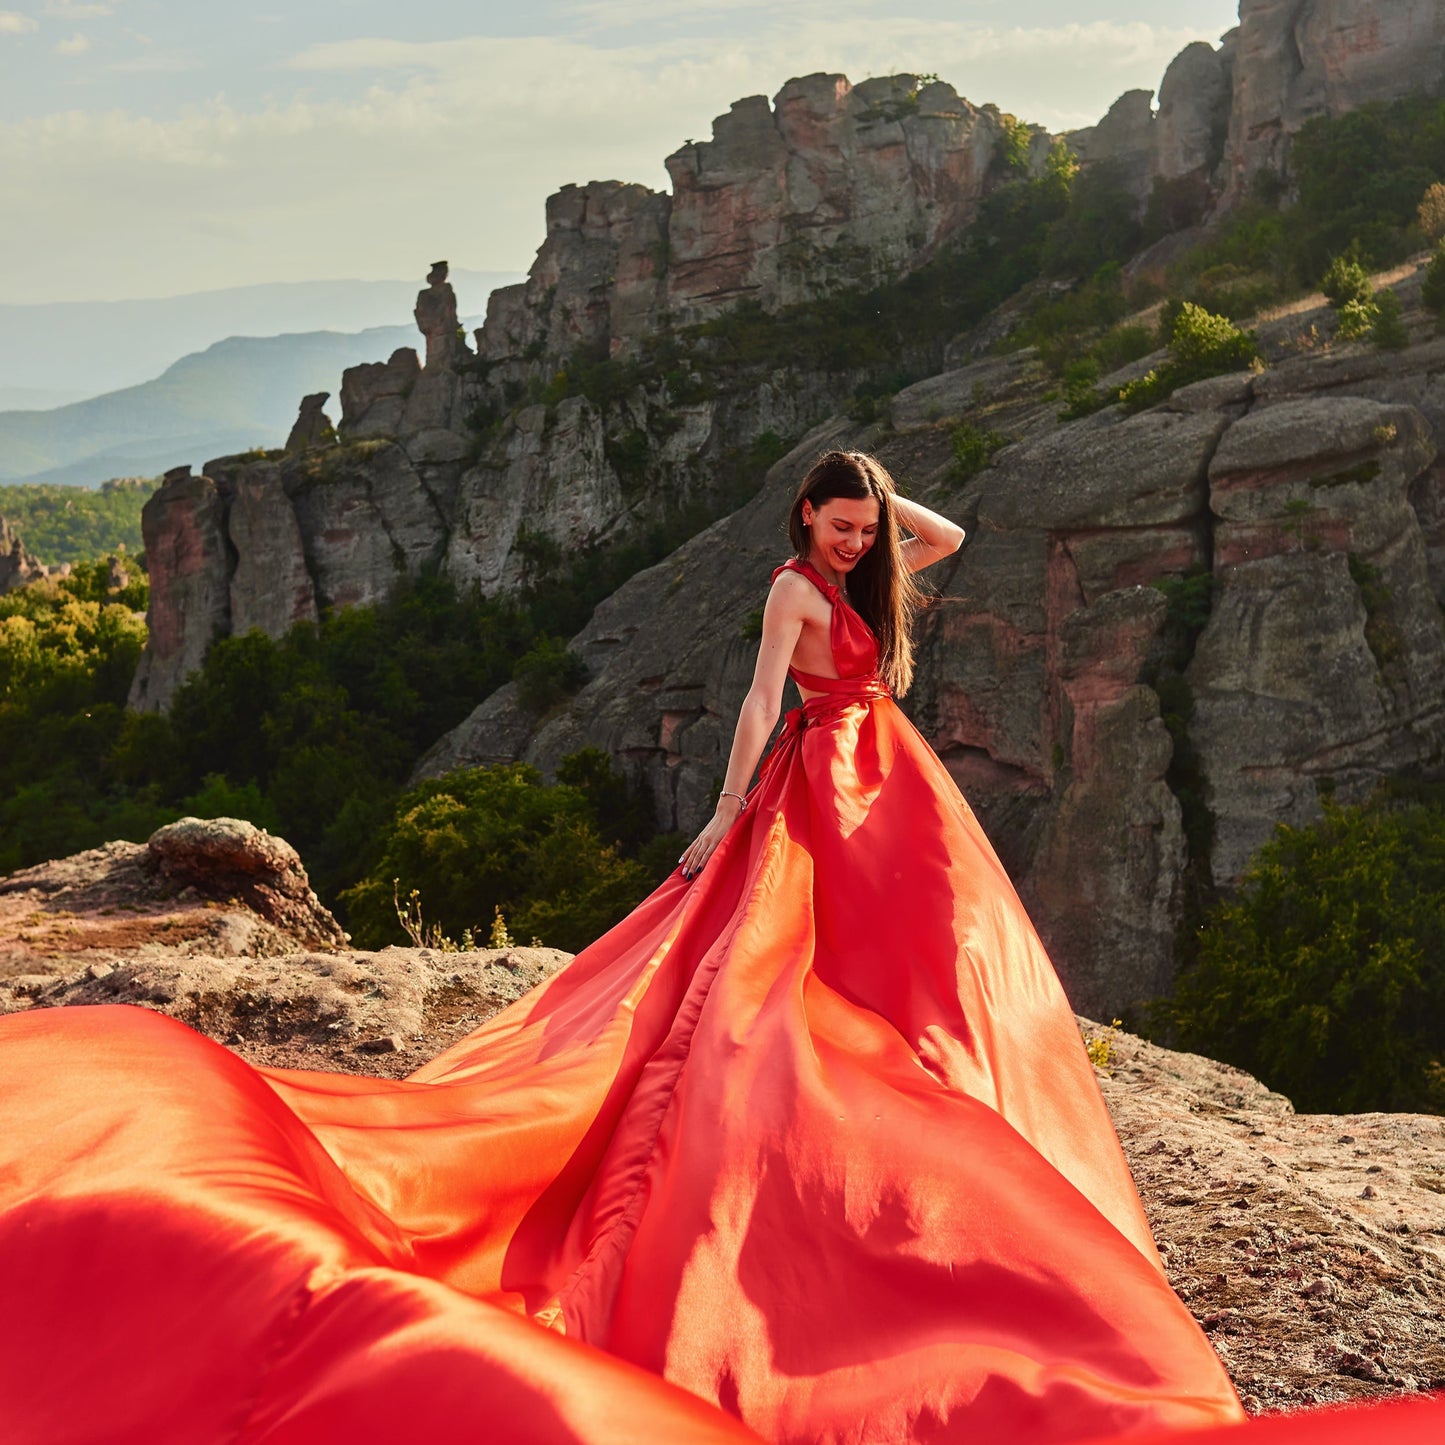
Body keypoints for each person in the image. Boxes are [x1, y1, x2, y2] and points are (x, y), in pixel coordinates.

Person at [0, 449, 1440, 1445]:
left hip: (893, 783)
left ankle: (925, 1076)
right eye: (831, 524)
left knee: (930, 955)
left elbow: (950, 540)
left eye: (855, 528)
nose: (854, 543)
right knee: (764, 976)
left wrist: (880, 491)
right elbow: (760, 704)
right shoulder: (791, 594)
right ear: (797, 529)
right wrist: (717, 816)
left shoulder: (877, 559)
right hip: (820, 781)